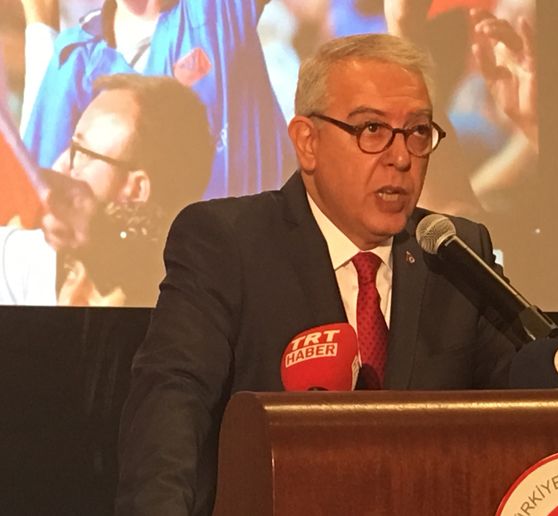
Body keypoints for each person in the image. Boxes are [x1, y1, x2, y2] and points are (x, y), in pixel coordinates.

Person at [115, 33, 520, 515]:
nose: (402, 157)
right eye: (372, 129)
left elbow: (531, 413)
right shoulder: (228, 243)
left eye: (417, 131)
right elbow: (171, 406)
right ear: (307, 142)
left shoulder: (454, 253)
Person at [21, 0, 296, 200]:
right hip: (147, 275)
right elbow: (37, 197)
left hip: (266, 261)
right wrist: (40, 26)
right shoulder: (75, 57)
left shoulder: (218, 9)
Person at [0, 73, 213, 306]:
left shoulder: (189, 297)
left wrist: (100, 237)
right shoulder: (22, 256)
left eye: (81, 152)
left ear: (136, 189)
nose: (59, 165)